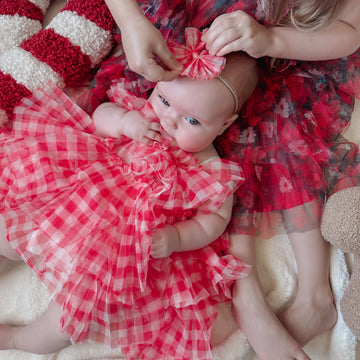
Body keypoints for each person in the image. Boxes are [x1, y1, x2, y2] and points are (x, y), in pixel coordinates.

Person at [92, 1, 360, 360]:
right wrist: (129, 20)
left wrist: (272, 41)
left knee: (278, 134)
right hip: (184, 34)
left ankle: (313, 295)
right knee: (202, 139)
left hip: (279, 50)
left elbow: (349, 31)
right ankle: (246, 296)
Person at [0, 40, 258, 359]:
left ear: (225, 124)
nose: (169, 120)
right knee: (11, 230)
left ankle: (19, 340)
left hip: (122, 251)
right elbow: (99, 117)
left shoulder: (211, 169)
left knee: (75, 315)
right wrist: (123, 122)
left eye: (192, 121)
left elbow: (215, 221)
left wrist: (177, 237)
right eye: (164, 100)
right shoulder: (142, 115)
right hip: (77, 202)